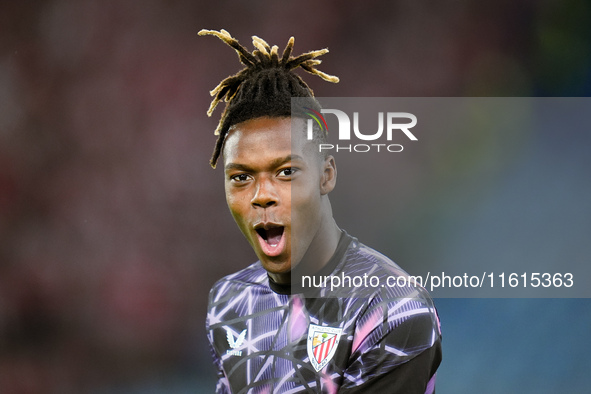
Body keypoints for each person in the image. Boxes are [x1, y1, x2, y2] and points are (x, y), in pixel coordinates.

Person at [200, 29, 442, 393]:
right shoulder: (229, 302)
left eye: (286, 172)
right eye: (241, 177)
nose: (262, 195)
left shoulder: (391, 310)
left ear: (326, 175)